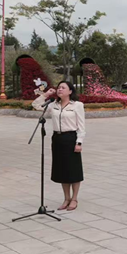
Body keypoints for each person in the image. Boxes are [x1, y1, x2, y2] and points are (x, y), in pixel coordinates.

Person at [32, 81, 85, 211]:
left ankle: (74, 199)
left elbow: (81, 126)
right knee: (62, 169)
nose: (60, 89)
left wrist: (79, 142)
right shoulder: (53, 105)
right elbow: (36, 105)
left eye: (63, 88)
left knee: (73, 170)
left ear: (70, 91)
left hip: (71, 138)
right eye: (58, 88)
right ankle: (66, 198)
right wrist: (46, 95)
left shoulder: (77, 105)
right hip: (57, 139)